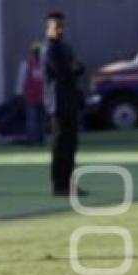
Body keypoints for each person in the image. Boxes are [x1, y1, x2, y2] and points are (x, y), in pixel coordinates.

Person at [41, 12, 86, 197]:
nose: (60, 30)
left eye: (61, 26)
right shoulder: (50, 49)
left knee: (70, 145)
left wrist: (73, 68)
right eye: (56, 26)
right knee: (60, 146)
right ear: (48, 28)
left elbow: (79, 67)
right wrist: (72, 68)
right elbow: (65, 72)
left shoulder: (64, 47)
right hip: (58, 103)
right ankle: (59, 184)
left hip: (70, 101)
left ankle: (69, 183)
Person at [15, 42, 46, 145]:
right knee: (31, 119)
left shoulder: (45, 65)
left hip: (43, 97)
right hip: (31, 97)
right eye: (36, 52)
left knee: (42, 119)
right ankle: (31, 139)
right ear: (32, 52)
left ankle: (41, 138)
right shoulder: (26, 64)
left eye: (39, 52)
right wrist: (19, 94)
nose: (38, 54)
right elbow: (21, 80)